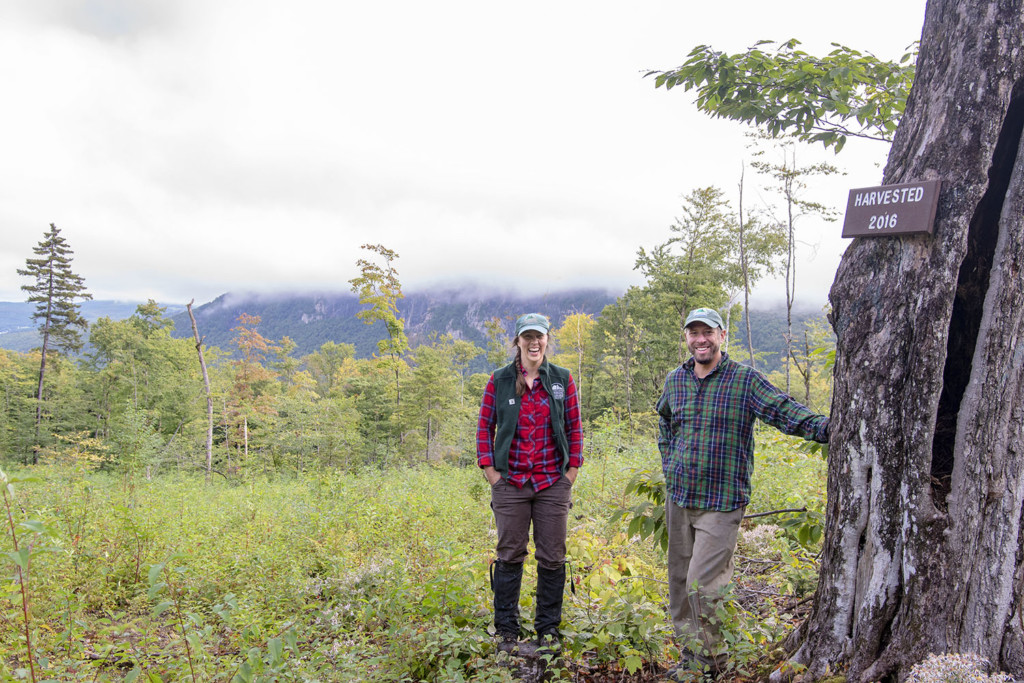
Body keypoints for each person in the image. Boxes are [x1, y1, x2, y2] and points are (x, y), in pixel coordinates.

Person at [657, 307, 829, 679]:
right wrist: (670, 464)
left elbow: (783, 410)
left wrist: (828, 427)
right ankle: (691, 658)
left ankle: (712, 661)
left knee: (703, 584)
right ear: (686, 337)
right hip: (680, 497)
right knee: (678, 581)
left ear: (722, 335)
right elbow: (665, 424)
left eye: (708, 332)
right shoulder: (675, 380)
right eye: (693, 332)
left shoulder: (744, 380)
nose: (700, 339)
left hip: (721, 501)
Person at [476, 312, 583, 652]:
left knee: (552, 556)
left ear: (547, 340)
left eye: (539, 336)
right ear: (518, 341)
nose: (533, 342)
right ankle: (506, 630)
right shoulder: (499, 380)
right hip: (511, 482)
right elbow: (484, 428)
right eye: (527, 337)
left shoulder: (562, 379)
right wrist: (491, 472)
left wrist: (571, 472)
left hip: (553, 481)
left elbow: (575, 427)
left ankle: (547, 631)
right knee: (510, 554)